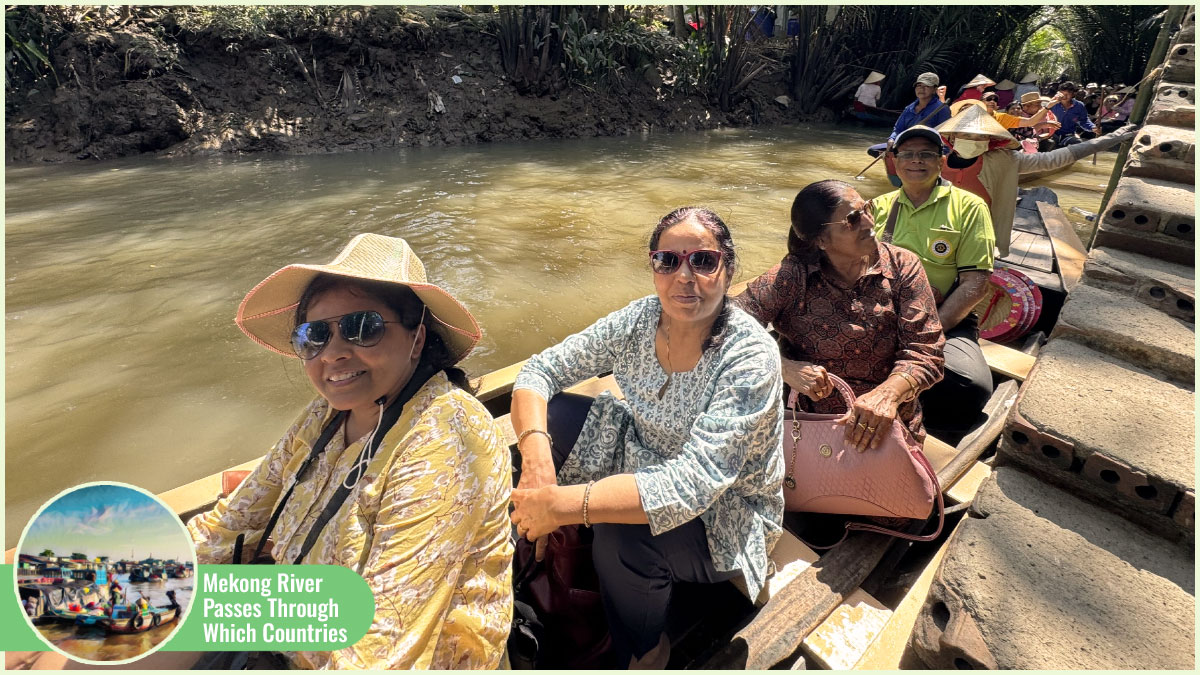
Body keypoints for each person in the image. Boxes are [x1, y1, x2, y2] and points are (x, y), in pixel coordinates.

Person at [188, 233, 513, 669]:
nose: (334, 354)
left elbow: (380, 650)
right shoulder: (324, 416)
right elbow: (229, 527)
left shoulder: (447, 437)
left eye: (363, 328)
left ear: (416, 338)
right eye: (314, 335)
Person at [508, 207, 784, 669]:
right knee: (550, 419)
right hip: (641, 451)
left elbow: (693, 482)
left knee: (624, 535)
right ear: (653, 267)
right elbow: (540, 371)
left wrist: (563, 504)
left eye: (703, 261)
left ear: (728, 268)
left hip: (726, 509)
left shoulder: (749, 355)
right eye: (668, 261)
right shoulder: (639, 319)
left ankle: (645, 650)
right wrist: (538, 469)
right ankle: (539, 555)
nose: (684, 276)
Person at [735, 180, 945, 450]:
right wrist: (783, 367)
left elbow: (927, 350)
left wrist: (888, 395)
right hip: (806, 425)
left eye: (867, 209)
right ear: (821, 240)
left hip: (889, 424)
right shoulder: (793, 275)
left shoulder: (903, 267)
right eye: (853, 219)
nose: (869, 224)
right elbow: (728, 325)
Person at [870, 125, 995, 440]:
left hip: (945, 316)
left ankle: (922, 420)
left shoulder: (969, 207)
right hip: (884, 310)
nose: (916, 161)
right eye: (908, 154)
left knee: (970, 385)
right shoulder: (879, 207)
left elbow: (975, 285)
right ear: (894, 161)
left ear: (942, 161)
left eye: (926, 154)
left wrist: (926, 334)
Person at [938, 101, 1139, 257]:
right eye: (966, 135)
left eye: (981, 136)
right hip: (937, 231)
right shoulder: (934, 163)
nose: (974, 141)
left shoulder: (1005, 161)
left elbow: (1053, 159)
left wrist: (1109, 139)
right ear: (952, 137)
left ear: (990, 140)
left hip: (978, 235)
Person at [1048, 81, 1097, 146]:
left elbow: (1084, 120)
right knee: (1049, 144)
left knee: (1078, 144)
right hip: (1052, 134)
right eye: (1062, 93)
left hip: (1068, 135)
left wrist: (1093, 127)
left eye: (1068, 94)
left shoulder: (1079, 105)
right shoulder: (1052, 104)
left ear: (1073, 94)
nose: (1064, 96)